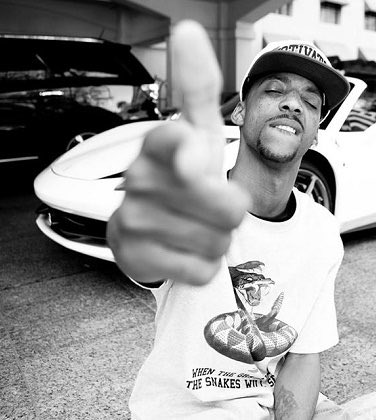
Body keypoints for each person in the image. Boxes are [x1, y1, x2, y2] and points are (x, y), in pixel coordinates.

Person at [107, 20, 351, 419]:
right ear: (239, 111)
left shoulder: (322, 232)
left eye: (310, 102)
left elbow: (303, 356)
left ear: (315, 134)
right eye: (274, 91)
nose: (293, 104)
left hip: (267, 403)